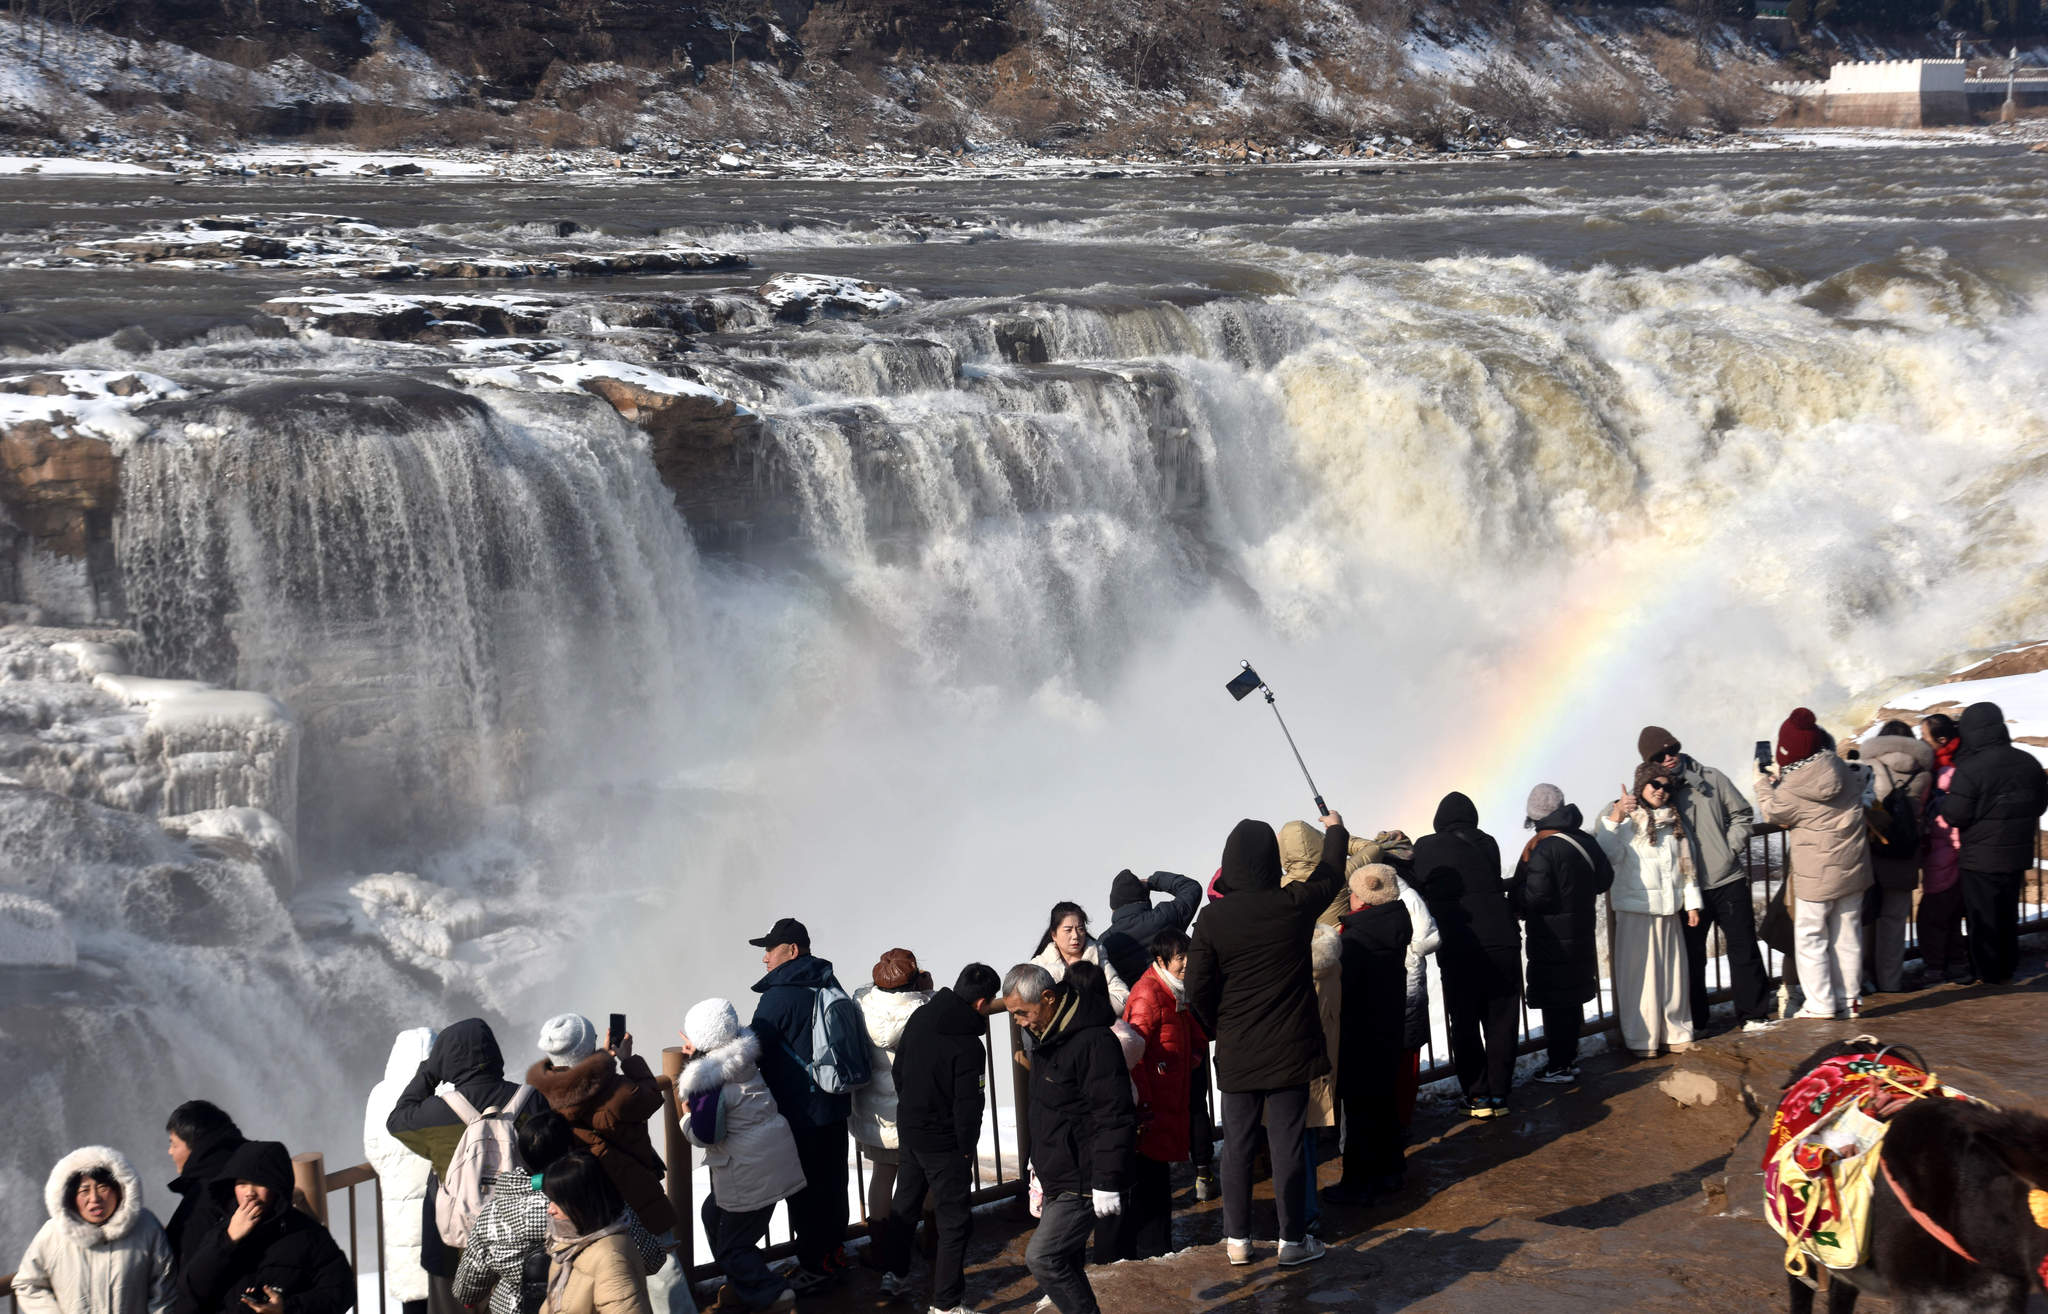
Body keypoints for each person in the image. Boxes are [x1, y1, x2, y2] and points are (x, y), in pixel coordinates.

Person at [1187, 811, 1347, 1269]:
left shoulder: (1213, 920)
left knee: (1236, 1145)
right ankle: (1291, 1241)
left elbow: (1196, 987)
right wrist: (1334, 829)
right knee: (1288, 1144)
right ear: (1271, 862)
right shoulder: (1292, 904)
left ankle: (1237, 1241)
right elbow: (1331, 875)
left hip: (1237, 1049)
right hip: (1289, 1048)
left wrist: (1219, 1025)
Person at [1000, 961, 1135, 1314]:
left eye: (1021, 1013)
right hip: (1058, 1170)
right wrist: (1037, 1164)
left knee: (1043, 1257)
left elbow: (1114, 1114)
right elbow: (1048, 1108)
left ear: (1047, 998)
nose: (1018, 1022)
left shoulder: (1093, 1041)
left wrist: (1106, 1181)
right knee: (1068, 1262)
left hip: (1084, 1176)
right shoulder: (1048, 1035)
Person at [872, 963, 1002, 1314]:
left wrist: (913, 1113)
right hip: (944, 1143)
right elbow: (968, 1106)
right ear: (981, 1004)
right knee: (955, 1221)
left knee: (906, 1204)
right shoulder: (969, 1047)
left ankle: (894, 1274)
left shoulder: (921, 1018)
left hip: (911, 1130)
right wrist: (964, 1149)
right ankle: (947, 1304)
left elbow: (900, 1072)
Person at [454, 1114, 664, 1314]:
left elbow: (466, 1290)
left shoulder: (493, 1215)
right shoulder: (599, 1205)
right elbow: (652, 1260)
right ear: (570, 1150)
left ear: (522, 1155)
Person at [387, 1019, 527, 1314]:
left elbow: (396, 1120)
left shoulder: (437, 1111)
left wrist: (429, 1071)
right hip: (519, 1241)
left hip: (451, 1247)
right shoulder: (532, 1101)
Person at [1635, 727, 1769, 1034]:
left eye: (1673, 750)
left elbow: (1742, 814)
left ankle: (1754, 1015)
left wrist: (1729, 849)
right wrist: (1616, 811)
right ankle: (1696, 1020)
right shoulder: (1655, 792)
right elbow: (1628, 825)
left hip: (1727, 879)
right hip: (1686, 890)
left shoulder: (1712, 779)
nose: (1669, 757)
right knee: (1691, 958)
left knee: (1743, 948)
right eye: (1660, 755)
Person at [745, 918, 853, 1292]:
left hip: (800, 1112)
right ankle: (835, 1255)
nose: (764, 959)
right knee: (834, 1184)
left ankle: (815, 1266)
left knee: (806, 1192)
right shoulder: (827, 980)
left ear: (791, 950)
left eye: (769, 949)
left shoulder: (778, 996)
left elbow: (752, 1049)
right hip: (835, 1102)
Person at [679, 997, 804, 1314]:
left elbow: (707, 1134)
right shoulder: (744, 1059)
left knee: (733, 1246)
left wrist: (685, 1116)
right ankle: (744, 1286)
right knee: (713, 1214)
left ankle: (774, 1295)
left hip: (746, 1171)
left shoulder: (708, 1081)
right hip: (772, 1160)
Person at [1755, 709, 1872, 1020]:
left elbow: (1774, 813)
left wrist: (1763, 784)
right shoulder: (1841, 769)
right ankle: (1849, 1000)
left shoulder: (1793, 789)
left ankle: (1820, 1004)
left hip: (1816, 876)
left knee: (1811, 938)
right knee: (1847, 936)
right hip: (1853, 869)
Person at [1413, 793, 1519, 1119]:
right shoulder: (1487, 842)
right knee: (1502, 1020)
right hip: (1502, 940)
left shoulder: (1426, 846)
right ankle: (1500, 1095)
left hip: (1460, 945)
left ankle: (1477, 1097)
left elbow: (1419, 882)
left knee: (1464, 1020)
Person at [525, 1015, 675, 1241]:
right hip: (634, 1193)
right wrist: (627, 1059)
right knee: (663, 1264)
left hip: (589, 1200)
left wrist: (601, 1059)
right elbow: (650, 1097)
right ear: (587, 1047)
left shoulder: (544, 1095)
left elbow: (579, 1079)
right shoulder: (617, 1090)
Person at [1327, 865, 1422, 1205]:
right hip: (1389, 1027)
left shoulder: (1354, 940)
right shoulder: (1395, 924)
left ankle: (1358, 1182)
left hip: (1359, 1032)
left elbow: (1344, 989)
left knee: (1359, 1110)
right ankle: (1391, 1170)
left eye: (1352, 893)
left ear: (1363, 897)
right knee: (1383, 1102)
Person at [1938, 700, 2048, 986]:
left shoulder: (1971, 768)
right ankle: (2007, 966)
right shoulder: (2028, 762)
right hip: (2017, 852)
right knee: (2007, 911)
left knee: (1983, 916)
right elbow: (2039, 805)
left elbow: (1956, 815)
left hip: (1980, 856)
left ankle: (1990, 972)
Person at [1596, 765, 1702, 1056]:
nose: (1660, 790)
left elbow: (1686, 865)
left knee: (1673, 977)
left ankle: (1676, 1032)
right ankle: (1642, 1039)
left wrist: (1691, 901)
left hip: (1669, 910)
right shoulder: (1625, 820)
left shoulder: (1673, 822)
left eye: (1666, 786)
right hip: (1635, 911)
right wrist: (1616, 816)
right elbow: (1606, 855)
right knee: (1639, 979)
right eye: (1654, 783)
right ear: (1640, 786)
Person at [1511, 784, 1614, 1081]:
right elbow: (1604, 879)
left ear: (1534, 815)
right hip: (1581, 929)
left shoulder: (1542, 848)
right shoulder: (1583, 840)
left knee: (1556, 1001)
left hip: (1550, 938)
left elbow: (1536, 897)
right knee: (1570, 996)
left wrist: (1516, 901)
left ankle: (1558, 1065)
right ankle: (1569, 1058)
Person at [178, 1141, 354, 1314]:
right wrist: (228, 1240)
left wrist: (286, 1308)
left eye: (259, 1183)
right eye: (242, 1183)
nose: (250, 1192)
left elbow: (341, 1291)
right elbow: (190, 1293)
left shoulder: (308, 1234)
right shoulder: (218, 1233)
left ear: (277, 1186)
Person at [1276, 820, 1343, 1237]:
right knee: (1318, 1102)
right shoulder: (1332, 886)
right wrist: (1339, 832)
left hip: (1285, 1021)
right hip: (1331, 1010)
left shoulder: (1283, 898)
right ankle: (1309, 1210)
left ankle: (1297, 1215)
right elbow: (1365, 853)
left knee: (1290, 1122)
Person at [1119, 928, 1204, 1258]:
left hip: (1168, 1099)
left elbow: (1192, 1033)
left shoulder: (1174, 991)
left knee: (1157, 1179)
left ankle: (1158, 1247)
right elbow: (1134, 1050)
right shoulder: (1148, 994)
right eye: (1180, 957)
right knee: (1151, 1181)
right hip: (1153, 1105)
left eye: (1187, 955)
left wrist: (1192, 1056)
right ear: (1161, 960)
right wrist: (1146, 1104)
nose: (1186, 963)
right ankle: (1153, 1249)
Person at [13, 1146, 175, 1314]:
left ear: (120, 1190)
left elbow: (164, 1291)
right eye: (84, 1190)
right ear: (70, 1196)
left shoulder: (146, 1227)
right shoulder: (53, 1233)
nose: (94, 1198)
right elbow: (27, 1284)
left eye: (103, 1188)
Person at [851, 948, 933, 1231]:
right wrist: (928, 990)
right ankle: (931, 1237)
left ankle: (881, 1242)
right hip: (914, 1112)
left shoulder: (861, 1005)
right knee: (927, 1175)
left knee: (882, 1175)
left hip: (875, 1113)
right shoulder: (922, 1009)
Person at [366, 1029, 438, 1314]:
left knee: (413, 1293)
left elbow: (372, 1149)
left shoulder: (380, 1093)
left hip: (398, 1210)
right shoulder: (444, 1089)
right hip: (442, 1207)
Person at [1859, 721, 1934, 994]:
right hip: (1904, 855)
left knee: (1865, 920)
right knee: (1893, 922)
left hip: (1872, 853)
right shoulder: (1923, 774)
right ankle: (1890, 982)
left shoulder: (1869, 767)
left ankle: (1863, 981)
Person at [538, 1154, 650, 1314]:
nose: (550, 1209)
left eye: (558, 1202)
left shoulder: (610, 1258)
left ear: (582, 1202)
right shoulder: (567, 1245)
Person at [163, 1101, 244, 1312]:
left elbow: (193, 1276)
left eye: (174, 1144)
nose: (169, 1152)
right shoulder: (248, 1176)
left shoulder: (204, 1201)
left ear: (197, 1146)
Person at [1917, 713, 1972, 983]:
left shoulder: (1942, 772)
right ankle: (1958, 963)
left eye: (1924, 737)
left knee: (1932, 914)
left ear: (1941, 740)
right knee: (1949, 911)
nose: (1921, 742)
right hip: (1959, 850)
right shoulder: (1962, 762)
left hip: (1944, 850)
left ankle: (1937, 967)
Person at [1097, 869, 1203, 990]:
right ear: (1145, 898)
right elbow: (1191, 888)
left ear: (1113, 908)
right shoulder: (1164, 917)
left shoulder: (1104, 942)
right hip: (1177, 998)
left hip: (1135, 1004)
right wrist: (1153, 881)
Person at [1030, 903, 1130, 1015]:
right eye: (1068, 930)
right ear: (1054, 935)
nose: (1075, 936)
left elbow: (1122, 997)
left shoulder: (1097, 957)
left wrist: (1086, 1009)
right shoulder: (1039, 967)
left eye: (1080, 929)